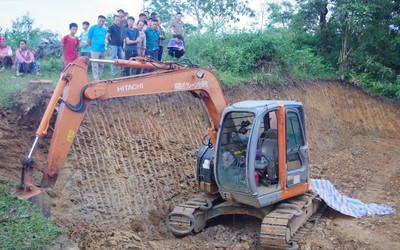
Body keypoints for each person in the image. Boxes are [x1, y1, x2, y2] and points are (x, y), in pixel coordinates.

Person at [87, 15, 107, 80]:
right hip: (95, 49)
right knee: (95, 65)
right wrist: (91, 45)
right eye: (100, 21)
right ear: (97, 20)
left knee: (101, 65)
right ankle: (96, 79)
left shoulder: (104, 29)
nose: (101, 22)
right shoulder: (92, 28)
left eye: (103, 21)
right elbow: (88, 38)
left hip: (103, 49)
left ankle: (99, 77)